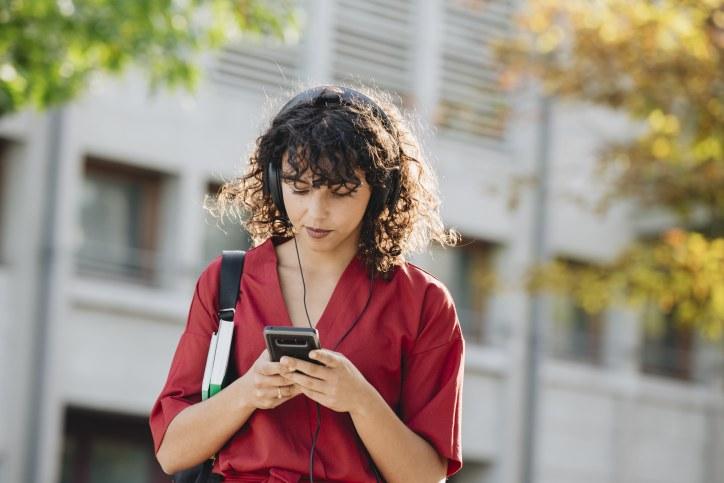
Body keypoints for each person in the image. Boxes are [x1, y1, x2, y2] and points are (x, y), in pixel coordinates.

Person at [149, 85, 465, 482]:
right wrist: (248, 392)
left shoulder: (425, 303)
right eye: (299, 188)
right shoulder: (226, 282)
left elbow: (425, 477)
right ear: (274, 179)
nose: (316, 212)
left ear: (381, 191)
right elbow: (172, 451)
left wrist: (361, 401)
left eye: (341, 192)